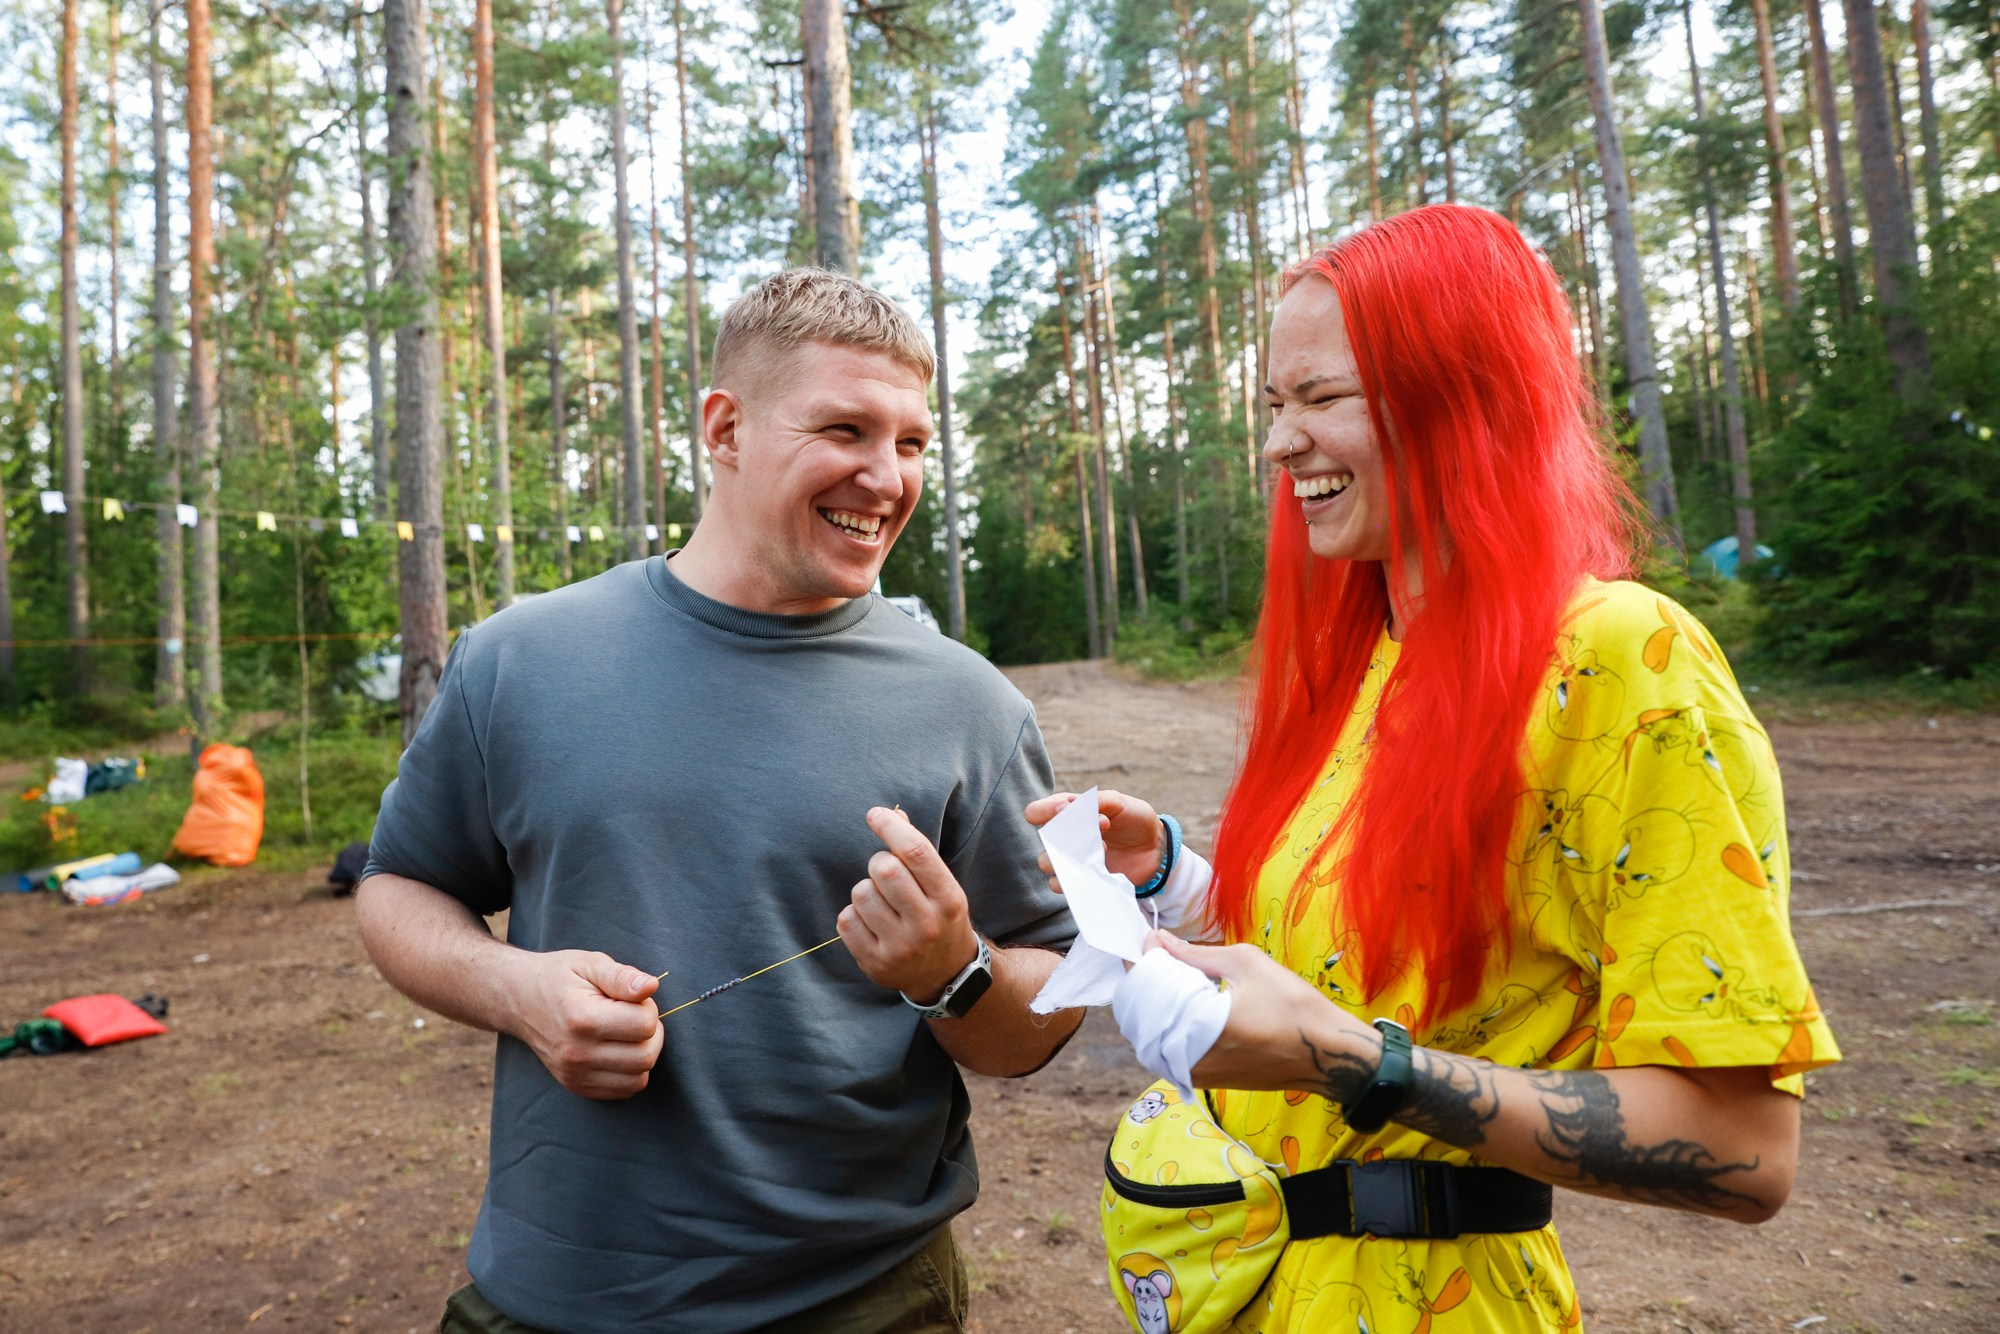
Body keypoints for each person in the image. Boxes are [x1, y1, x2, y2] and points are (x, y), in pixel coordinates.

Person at [1027, 205, 1840, 1332]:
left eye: (1319, 399)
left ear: (1461, 394)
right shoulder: (1377, 660)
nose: (1277, 444)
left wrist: (1356, 1063)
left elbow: (1742, 1150)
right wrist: (1175, 875)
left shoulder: (1620, 658)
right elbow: (1399, 959)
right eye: (1273, 405)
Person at [356, 268, 1083, 1334]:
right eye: (845, 428)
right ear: (725, 425)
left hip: (864, 1300)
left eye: (913, 442)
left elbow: (1041, 1019)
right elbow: (396, 886)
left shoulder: (971, 705)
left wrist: (953, 972)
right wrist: (518, 989)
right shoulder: (521, 659)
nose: (885, 476)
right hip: (557, 1293)